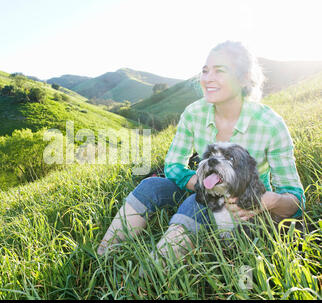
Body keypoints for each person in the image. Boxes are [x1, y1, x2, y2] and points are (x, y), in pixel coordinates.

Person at [97, 41, 305, 261]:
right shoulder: (194, 113)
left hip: (241, 207)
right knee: (151, 185)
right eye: (205, 71)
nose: (208, 78)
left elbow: (295, 199)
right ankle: (102, 260)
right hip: (202, 187)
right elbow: (173, 165)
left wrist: (270, 201)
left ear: (244, 78)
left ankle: (146, 280)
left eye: (220, 71)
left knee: (196, 203)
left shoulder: (270, 124)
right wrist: (202, 185)